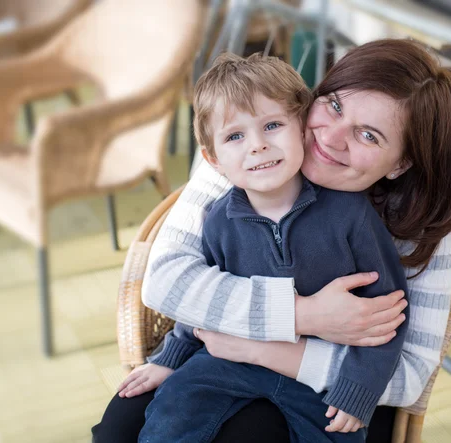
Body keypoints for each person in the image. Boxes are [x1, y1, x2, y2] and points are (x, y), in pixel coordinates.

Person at [92, 38, 451, 443]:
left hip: (337, 391)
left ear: (401, 162)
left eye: (368, 135)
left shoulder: (407, 223)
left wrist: (257, 348)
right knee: (121, 429)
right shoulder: (251, 150)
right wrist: (304, 315)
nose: (330, 138)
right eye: (334, 105)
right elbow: (168, 283)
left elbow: (408, 375)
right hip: (222, 363)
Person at [137, 52, 409, 443]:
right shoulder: (217, 220)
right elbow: (205, 298)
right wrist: (171, 358)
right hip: (227, 361)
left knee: (340, 436)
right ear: (213, 160)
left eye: (273, 126)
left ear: (302, 130)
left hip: (313, 375)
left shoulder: (352, 215)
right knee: (171, 411)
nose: (258, 146)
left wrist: (357, 390)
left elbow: (389, 316)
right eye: (235, 136)